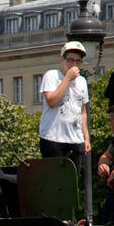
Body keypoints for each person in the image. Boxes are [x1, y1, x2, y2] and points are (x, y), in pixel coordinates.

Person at [39, 40, 92, 175]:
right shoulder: (51, 75)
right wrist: (67, 79)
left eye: (78, 61)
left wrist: (86, 138)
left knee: (72, 181)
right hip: (53, 138)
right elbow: (52, 101)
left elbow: (83, 112)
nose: (74, 64)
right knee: (55, 180)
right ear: (62, 59)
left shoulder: (82, 82)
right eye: (70, 60)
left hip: (75, 138)